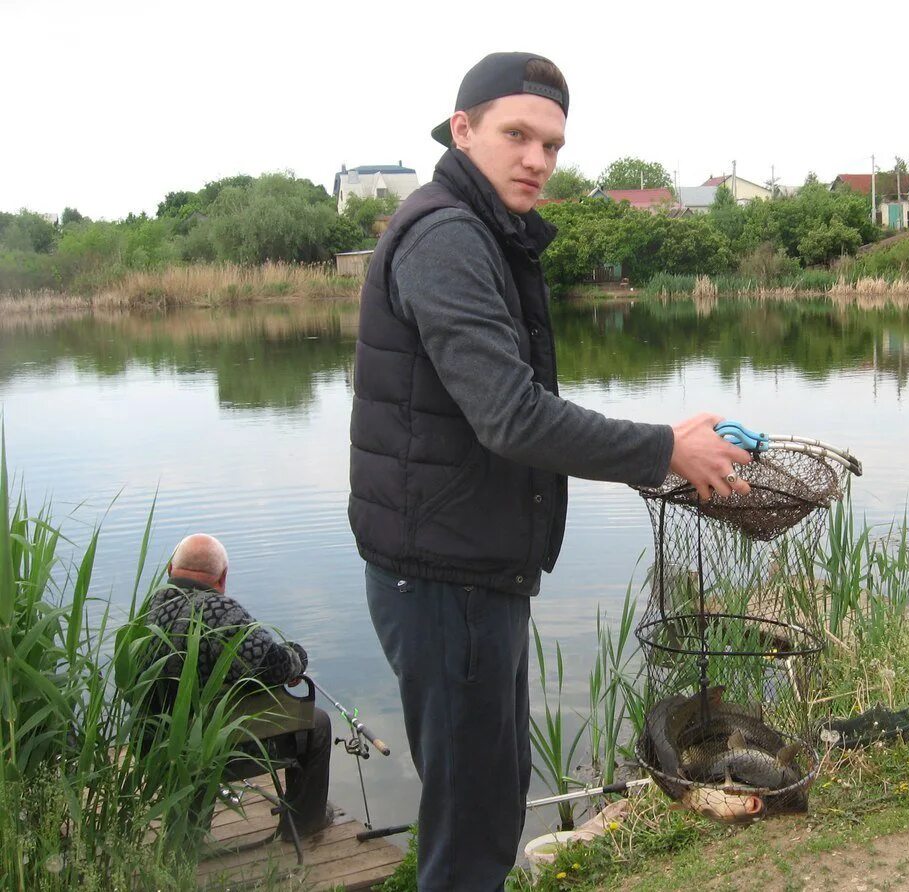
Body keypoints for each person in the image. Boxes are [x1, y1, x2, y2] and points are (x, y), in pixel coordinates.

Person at [348, 52, 751, 890]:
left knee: (487, 804)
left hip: (469, 568)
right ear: (463, 131)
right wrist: (664, 451)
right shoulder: (448, 237)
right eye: (517, 136)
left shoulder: (482, 230)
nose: (537, 159)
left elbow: (507, 405)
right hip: (443, 578)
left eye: (553, 145)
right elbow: (512, 416)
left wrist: (662, 437)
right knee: (470, 829)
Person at [145, 533, 333, 839]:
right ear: (222, 577)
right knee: (317, 723)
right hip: (216, 753)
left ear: (169, 570)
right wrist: (297, 654)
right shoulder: (222, 614)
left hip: (157, 744)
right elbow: (277, 666)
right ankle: (303, 823)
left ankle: (186, 833)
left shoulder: (149, 611)